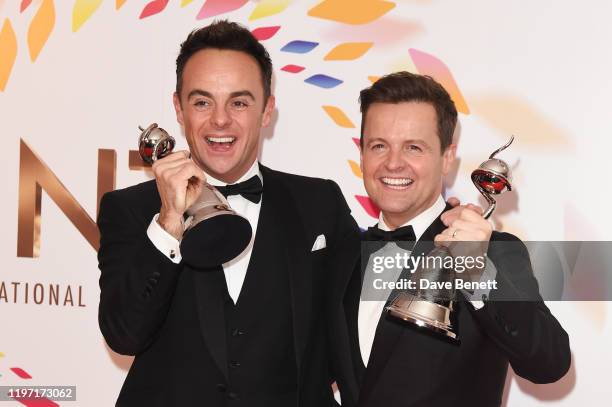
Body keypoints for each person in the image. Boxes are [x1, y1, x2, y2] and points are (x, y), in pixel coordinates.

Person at [97, 20, 359, 406]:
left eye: (239, 102)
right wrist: (169, 220)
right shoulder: (131, 210)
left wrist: (464, 249)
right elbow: (124, 335)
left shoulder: (320, 203)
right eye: (202, 102)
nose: (220, 120)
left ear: (267, 110)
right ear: (179, 109)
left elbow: (363, 328)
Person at [328, 72, 571, 407]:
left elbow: (549, 363)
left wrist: (475, 269)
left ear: (446, 158)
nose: (393, 163)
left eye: (413, 147)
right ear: (362, 154)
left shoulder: (494, 251)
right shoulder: (341, 256)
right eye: (379, 145)